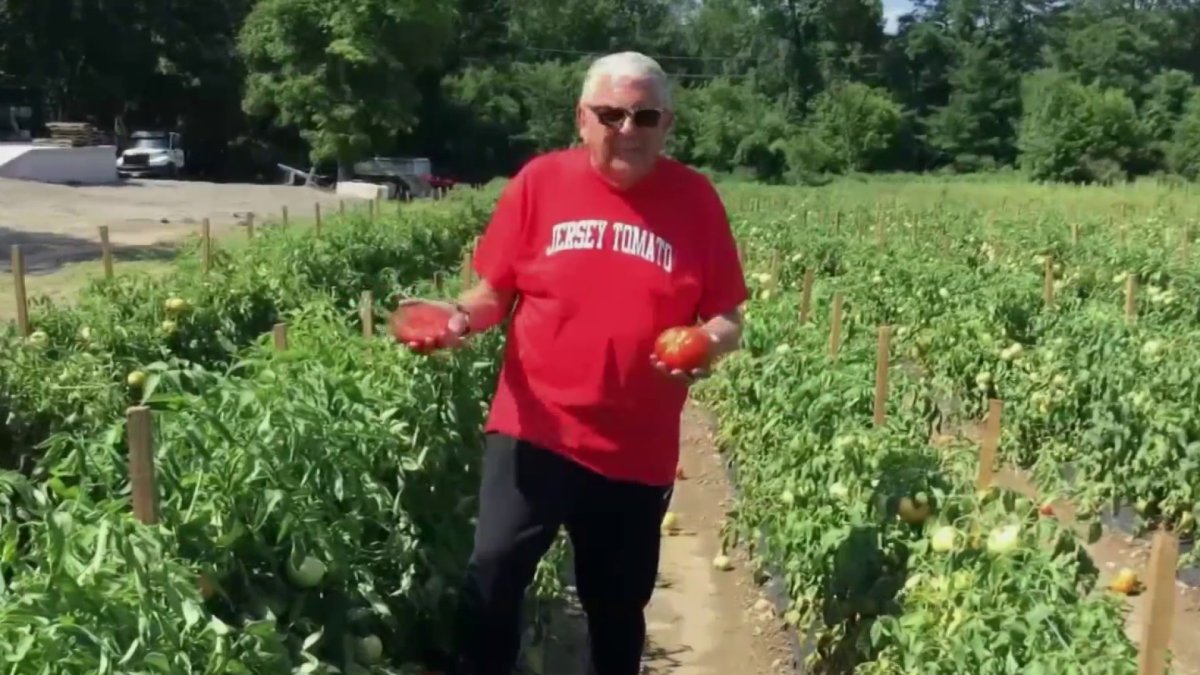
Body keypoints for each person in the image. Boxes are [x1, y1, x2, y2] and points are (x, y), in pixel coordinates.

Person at [403, 51, 748, 675]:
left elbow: (726, 317)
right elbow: (492, 294)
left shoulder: (695, 200)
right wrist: (456, 318)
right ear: (582, 118)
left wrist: (707, 348)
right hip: (535, 427)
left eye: (644, 116)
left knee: (616, 607)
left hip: (635, 446)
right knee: (493, 576)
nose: (627, 129)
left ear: (667, 124)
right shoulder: (539, 182)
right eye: (611, 113)